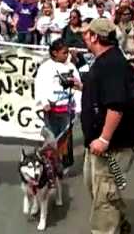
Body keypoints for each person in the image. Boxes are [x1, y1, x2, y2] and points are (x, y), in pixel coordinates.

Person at [81, 18, 134, 234]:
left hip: (111, 146)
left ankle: (109, 229)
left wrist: (104, 139)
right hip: (97, 143)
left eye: (87, 34)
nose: (84, 37)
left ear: (95, 37)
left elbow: (116, 105)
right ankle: (121, 225)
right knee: (98, 191)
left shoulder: (111, 63)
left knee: (104, 198)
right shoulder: (105, 60)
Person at [35, 39, 82, 172]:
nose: (67, 55)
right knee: (52, 137)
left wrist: (78, 106)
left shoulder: (71, 67)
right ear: (54, 53)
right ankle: (51, 163)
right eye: (64, 52)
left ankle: (64, 164)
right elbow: (40, 86)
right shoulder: (45, 68)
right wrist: (44, 102)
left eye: (67, 52)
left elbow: (78, 87)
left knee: (65, 138)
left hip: (67, 108)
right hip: (51, 109)